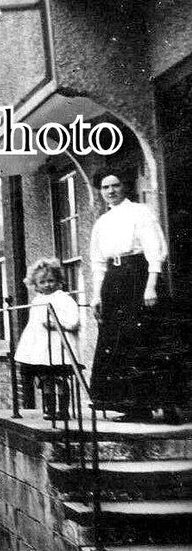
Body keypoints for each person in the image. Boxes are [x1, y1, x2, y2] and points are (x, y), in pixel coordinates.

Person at [88, 172, 173, 422]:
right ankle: (133, 407)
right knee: (119, 342)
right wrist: (96, 295)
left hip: (138, 276)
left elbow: (154, 251)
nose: (111, 191)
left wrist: (151, 286)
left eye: (116, 185)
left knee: (145, 338)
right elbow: (97, 263)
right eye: (105, 187)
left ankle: (163, 403)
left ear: (124, 187)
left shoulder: (140, 212)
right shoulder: (102, 222)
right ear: (100, 191)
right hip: (114, 282)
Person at [13, 258, 80, 420]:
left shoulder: (64, 298)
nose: (47, 285)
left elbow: (73, 321)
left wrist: (56, 324)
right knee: (46, 380)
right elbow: (33, 327)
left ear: (58, 281)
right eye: (42, 282)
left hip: (60, 348)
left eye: (51, 280)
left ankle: (63, 410)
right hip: (43, 350)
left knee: (61, 379)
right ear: (35, 285)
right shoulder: (37, 301)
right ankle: (49, 409)